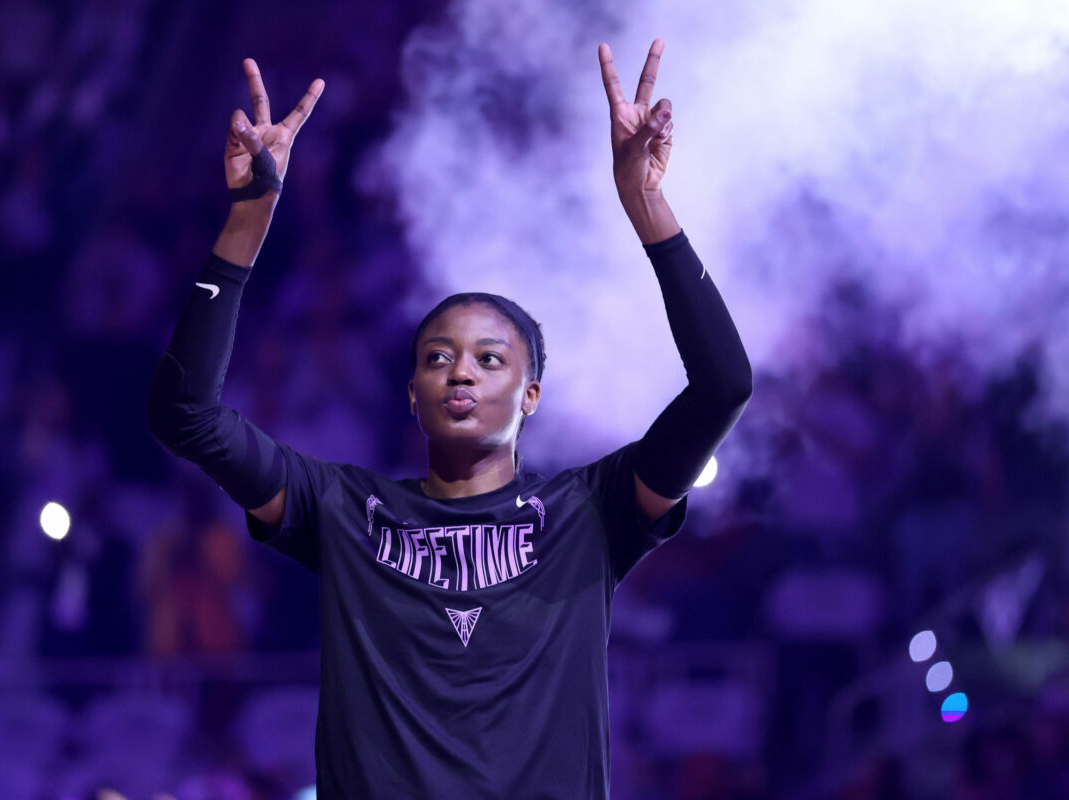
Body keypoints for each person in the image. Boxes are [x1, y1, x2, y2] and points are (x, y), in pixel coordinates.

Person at [147, 40, 753, 799]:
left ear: (531, 395)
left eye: (490, 359)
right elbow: (186, 413)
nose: (460, 370)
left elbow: (724, 384)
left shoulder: (591, 511)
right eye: (437, 357)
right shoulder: (342, 511)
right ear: (411, 394)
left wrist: (647, 205)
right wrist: (246, 222)